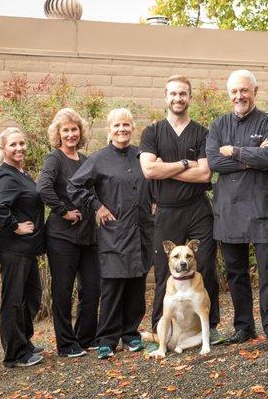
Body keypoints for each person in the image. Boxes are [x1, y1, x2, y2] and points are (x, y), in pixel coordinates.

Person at [138, 75, 222, 344]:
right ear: (165, 97)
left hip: (198, 209)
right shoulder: (152, 132)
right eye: (173, 94)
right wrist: (186, 163)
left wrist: (168, 169)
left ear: (189, 98)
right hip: (166, 210)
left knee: (206, 265)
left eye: (183, 94)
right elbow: (149, 169)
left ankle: (211, 327)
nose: (178, 98)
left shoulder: (202, 132)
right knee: (164, 269)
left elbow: (204, 174)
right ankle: (160, 330)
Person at [68, 108, 153, 360]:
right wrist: (97, 206)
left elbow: (155, 179)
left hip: (142, 230)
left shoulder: (142, 155)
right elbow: (74, 186)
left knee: (137, 284)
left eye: (126, 125)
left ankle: (131, 334)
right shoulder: (99, 159)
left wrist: (154, 200)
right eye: (116, 125)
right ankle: (107, 338)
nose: (121, 129)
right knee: (113, 285)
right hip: (114, 232)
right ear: (109, 130)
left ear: (132, 128)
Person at [206, 69, 268, 343]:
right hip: (229, 209)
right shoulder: (218, 126)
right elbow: (215, 162)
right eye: (234, 92)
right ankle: (244, 327)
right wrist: (253, 158)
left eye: (244, 90)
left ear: (255, 91)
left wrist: (235, 152)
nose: (239, 96)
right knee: (236, 273)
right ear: (229, 95)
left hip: (263, 208)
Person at [37, 108, 99, 358]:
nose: (71, 134)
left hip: (87, 235)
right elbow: (43, 187)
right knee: (62, 291)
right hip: (62, 236)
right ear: (58, 134)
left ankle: (85, 337)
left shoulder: (85, 160)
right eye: (66, 130)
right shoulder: (54, 159)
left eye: (74, 129)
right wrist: (63, 211)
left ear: (80, 132)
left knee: (92, 288)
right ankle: (66, 344)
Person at [0, 127, 44, 368]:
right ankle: (14, 354)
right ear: (3, 149)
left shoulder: (19, 172)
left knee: (31, 296)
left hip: (27, 249)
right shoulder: (6, 175)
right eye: (13, 145)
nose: (19, 148)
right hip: (14, 249)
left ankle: (25, 342)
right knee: (14, 300)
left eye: (22, 143)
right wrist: (15, 226)